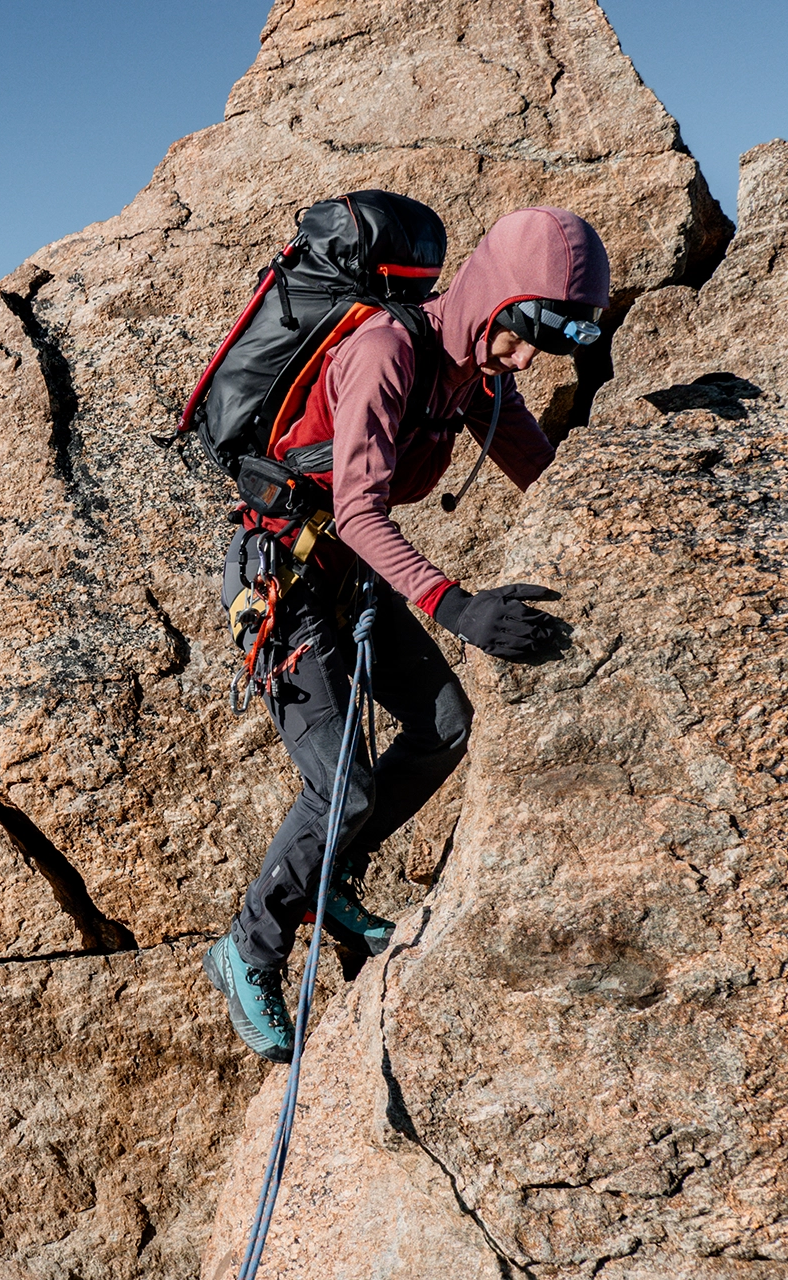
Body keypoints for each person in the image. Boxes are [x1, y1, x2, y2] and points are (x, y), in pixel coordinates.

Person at [203, 206, 612, 1062]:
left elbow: (540, 470)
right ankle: (248, 948)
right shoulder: (387, 350)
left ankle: (329, 882)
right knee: (342, 785)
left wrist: (618, 528)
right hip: (284, 580)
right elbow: (357, 511)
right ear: (493, 298)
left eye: (541, 346)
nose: (524, 359)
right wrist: (455, 605)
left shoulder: (474, 377)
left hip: (348, 575)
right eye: (520, 334)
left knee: (444, 726)